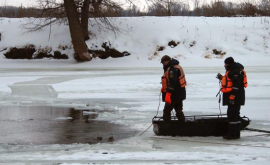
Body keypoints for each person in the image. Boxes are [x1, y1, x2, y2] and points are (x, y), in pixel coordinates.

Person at [217, 57, 247, 140]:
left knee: (232, 115)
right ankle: (236, 134)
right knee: (235, 115)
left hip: (235, 97)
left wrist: (232, 96)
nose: (224, 65)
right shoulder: (233, 70)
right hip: (237, 97)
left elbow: (236, 85)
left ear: (229, 64)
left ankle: (232, 135)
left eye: (225, 64)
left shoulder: (235, 71)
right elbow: (230, 80)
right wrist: (222, 78)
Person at [160, 55, 186, 122]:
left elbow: (173, 82)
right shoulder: (174, 67)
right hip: (179, 93)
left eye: (163, 63)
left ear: (167, 61)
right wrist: (164, 87)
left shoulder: (172, 70)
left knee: (167, 110)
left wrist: (168, 93)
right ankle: (182, 124)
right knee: (178, 110)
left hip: (174, 94)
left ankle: (166, 126)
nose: (163, 64)